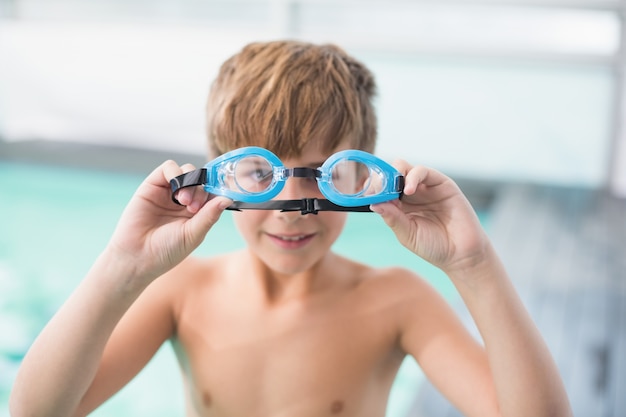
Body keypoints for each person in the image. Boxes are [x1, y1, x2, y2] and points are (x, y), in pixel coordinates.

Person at [10, 40, 572, 417]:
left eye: (326, 175)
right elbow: (36, 410)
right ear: (219, 174)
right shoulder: (184, 293)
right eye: (261, 173)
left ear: (362, 175)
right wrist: (121, 267)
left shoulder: (398, 303)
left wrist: (474, 266)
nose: (292, 205)